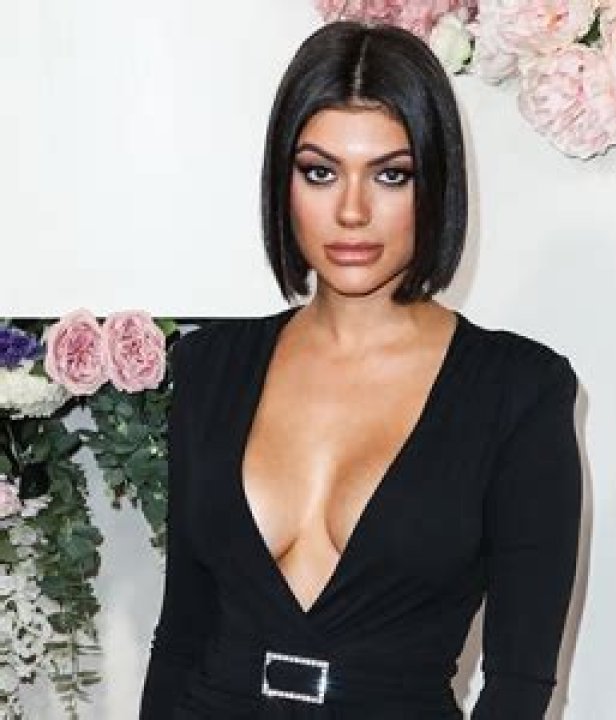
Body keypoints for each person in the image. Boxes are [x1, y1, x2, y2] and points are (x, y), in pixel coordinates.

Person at [139, 19, 582, 720]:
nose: (351, 211)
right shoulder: (209, 366)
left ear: (436, 183)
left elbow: (519, 683)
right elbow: (181, 636)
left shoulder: (519, 391)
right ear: (282, 182)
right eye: (320, 172)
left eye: (390, 175)